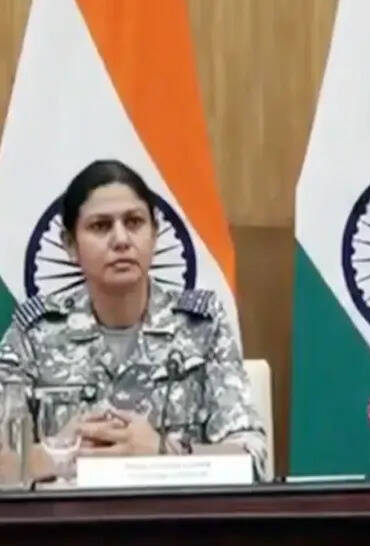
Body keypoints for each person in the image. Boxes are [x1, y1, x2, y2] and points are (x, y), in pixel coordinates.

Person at [0, 160, 267, 480]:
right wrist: (57, 452)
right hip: (71, 511)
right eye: (100, 226)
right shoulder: (35, 333)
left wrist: (164, 452)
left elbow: (251, 461)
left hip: (171, 512)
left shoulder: (201, 326)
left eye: (134, 222)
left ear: (154, 235)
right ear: (70, 245)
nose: (121, 240)